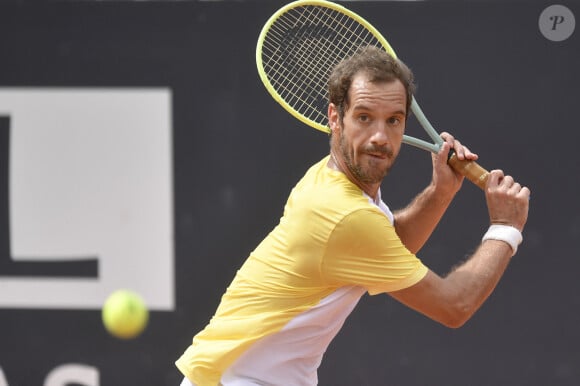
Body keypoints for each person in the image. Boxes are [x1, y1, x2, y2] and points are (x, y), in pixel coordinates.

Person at [175, 45, 530, 386]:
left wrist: (441, 193)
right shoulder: (343, 216)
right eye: (364, 117)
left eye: (394, 120)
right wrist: (505, 228)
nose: (380, 136)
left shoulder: (331, 180)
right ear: (335, 118)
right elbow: (454, 306)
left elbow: (388, 247)